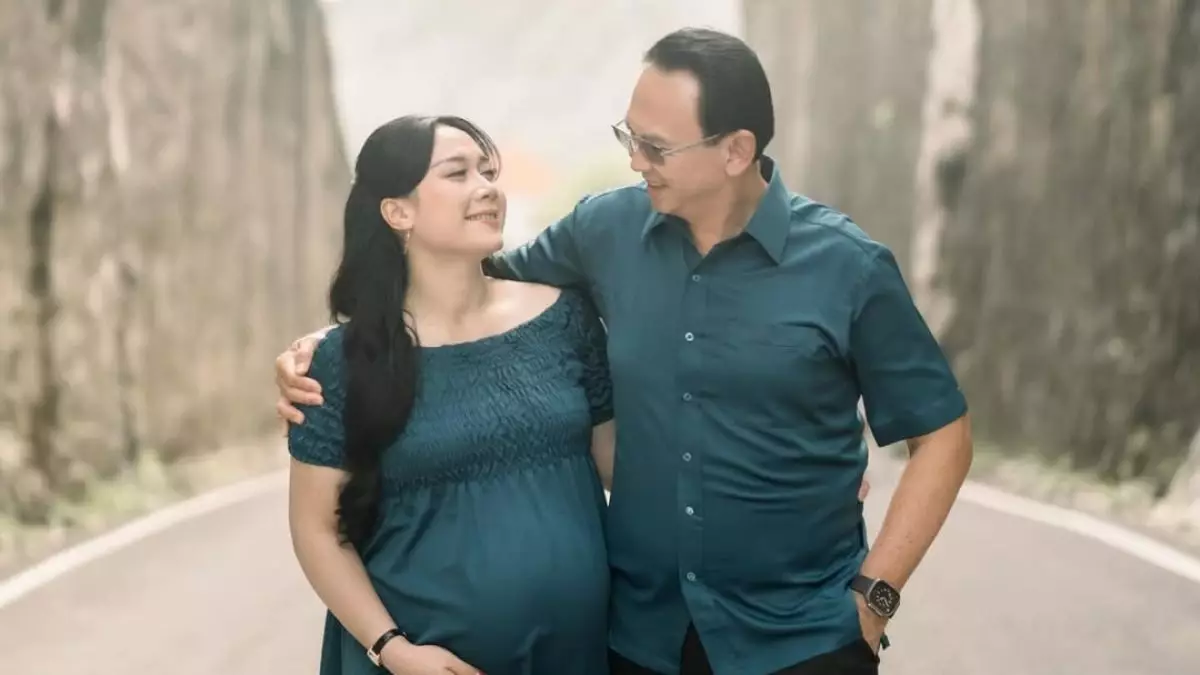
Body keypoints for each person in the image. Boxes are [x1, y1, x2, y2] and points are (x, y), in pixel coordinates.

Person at [278, 28, 972, 675]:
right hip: (644, 641)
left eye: (655, 147)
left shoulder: (848, 267)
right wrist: (336, 345)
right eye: (629, 136)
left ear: (735, 151)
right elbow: (465, 288)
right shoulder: (603, 230)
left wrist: (875, 596)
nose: (635, 160)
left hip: (802, 639)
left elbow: (943, 437)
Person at [285, 114, 616, 675]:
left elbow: (622, 471)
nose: (486, 188)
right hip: (422, 663)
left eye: (488, 172)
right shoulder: (341, 362)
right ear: (399, 212)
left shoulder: (564, 318)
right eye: (457, 173)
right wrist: (393, 649)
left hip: (577, 656)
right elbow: (315, 529)